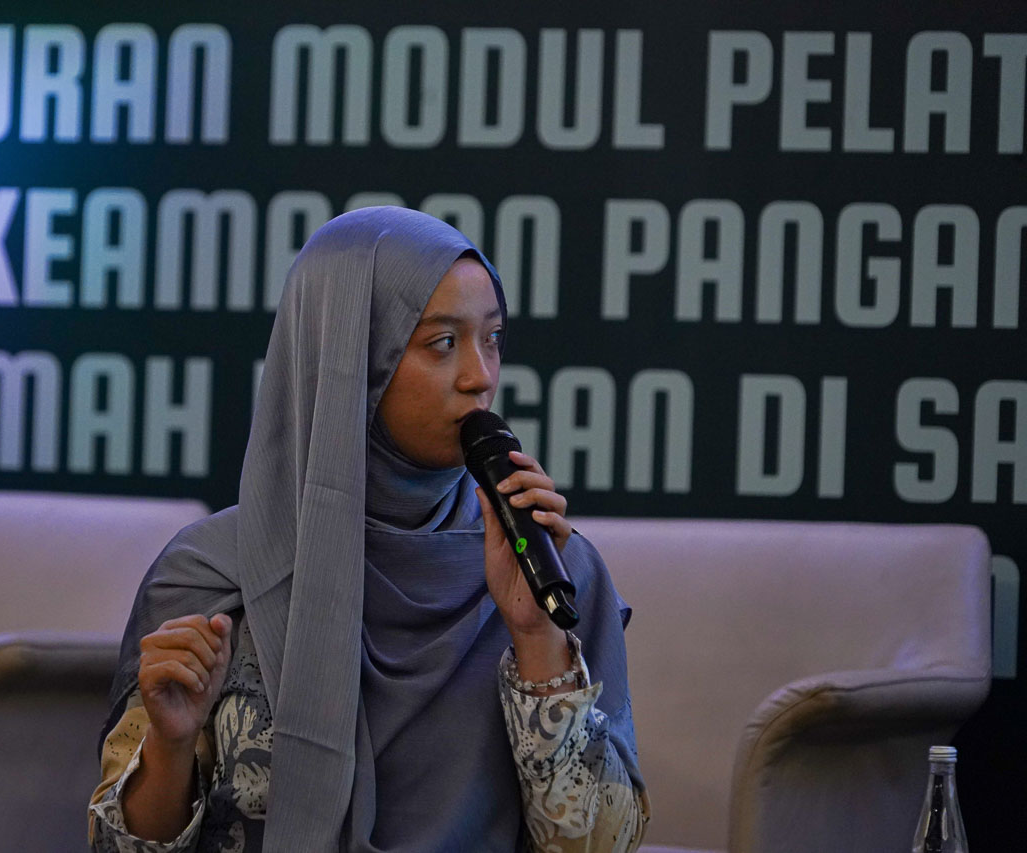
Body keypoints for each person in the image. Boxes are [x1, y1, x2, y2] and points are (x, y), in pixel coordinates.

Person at [88, 207, 649, 852]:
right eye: (443, 343)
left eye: (493, 338)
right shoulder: (215, 578)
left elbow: (603, 847)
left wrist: (537, 638)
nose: (481, 376)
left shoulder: (551, 568)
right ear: (350, 361)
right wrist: (171, 746)